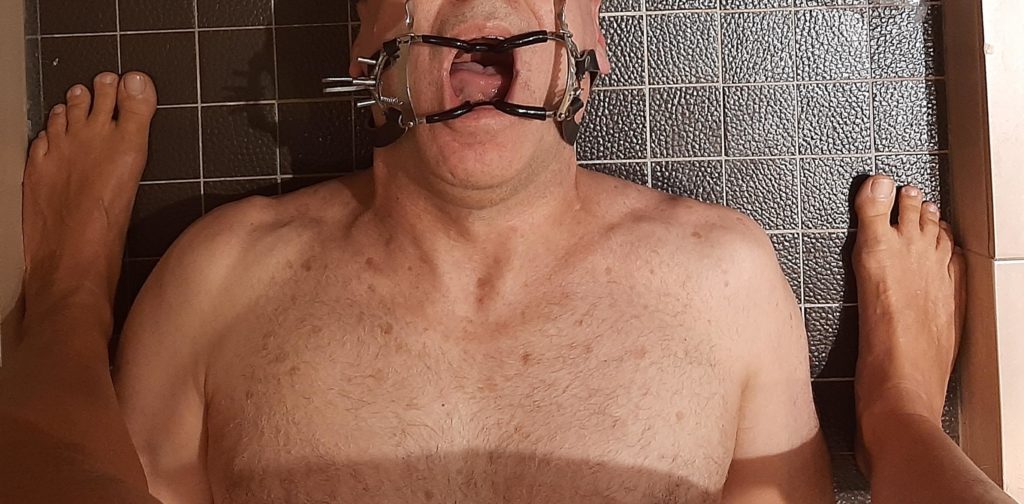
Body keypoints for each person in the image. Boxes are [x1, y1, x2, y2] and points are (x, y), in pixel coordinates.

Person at [0, 11, 1015, 504]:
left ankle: (895, 415)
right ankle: (66, 302)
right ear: (366, 56)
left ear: (591, 57)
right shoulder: (220, 278)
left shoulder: (725, 278)